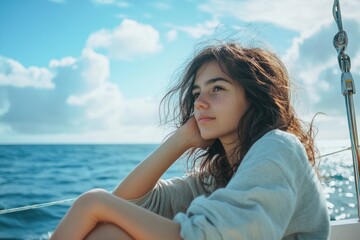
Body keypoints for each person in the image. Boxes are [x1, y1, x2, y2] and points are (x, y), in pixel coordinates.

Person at [50, 42, 330, 240]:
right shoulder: (216, 178)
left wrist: (95, 202)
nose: (200, 103)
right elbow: (131, 204)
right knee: (110, 231)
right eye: (197, 93)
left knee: (95, 205)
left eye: (217, 88)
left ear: (254, 97)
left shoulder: (278, 147)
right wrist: (180, 140)